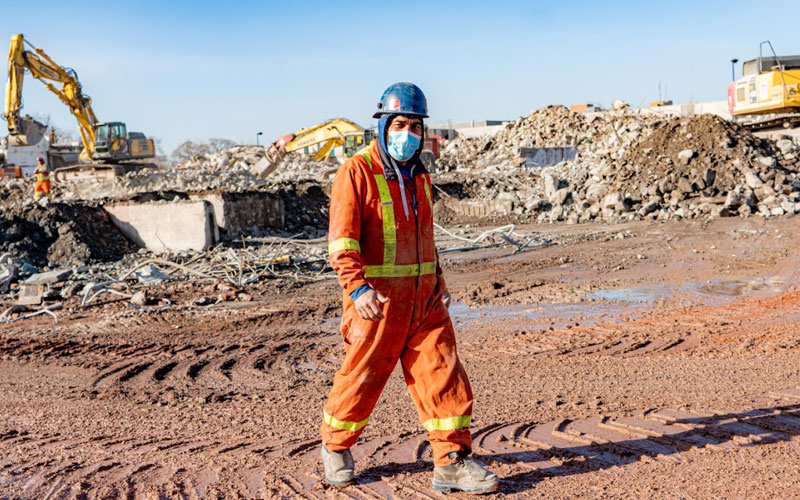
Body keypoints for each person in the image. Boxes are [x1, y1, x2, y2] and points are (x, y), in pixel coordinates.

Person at [320, 82, 499, 494]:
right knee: (362, 378)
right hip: (376, 302)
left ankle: (451, 463)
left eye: (415, 127)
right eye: (400, 124)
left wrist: (438, 280)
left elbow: (425, 236)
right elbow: (342, 243)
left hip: (425, 300)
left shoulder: (419, 176)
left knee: (444, 374)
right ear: (382, 125)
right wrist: (357, 290)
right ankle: (335, 446)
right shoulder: (355, 172)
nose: (408, 135)